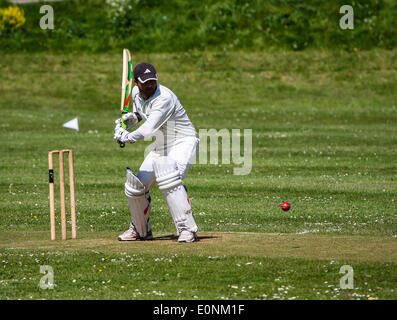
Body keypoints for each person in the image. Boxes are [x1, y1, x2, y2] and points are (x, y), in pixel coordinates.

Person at [113, 62, 199, 243]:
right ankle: (140, 229)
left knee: (169, 176)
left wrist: (126, 136)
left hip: (183, 142)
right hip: (162, 144)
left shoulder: (164, 97)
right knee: (135, 187)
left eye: (153, 80)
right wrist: (131, 119)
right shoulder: (136, 94)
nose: (150, 84)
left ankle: (187, 229)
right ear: (136, 83)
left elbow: (148, 129)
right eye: (145, 82)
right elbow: (142, 114)